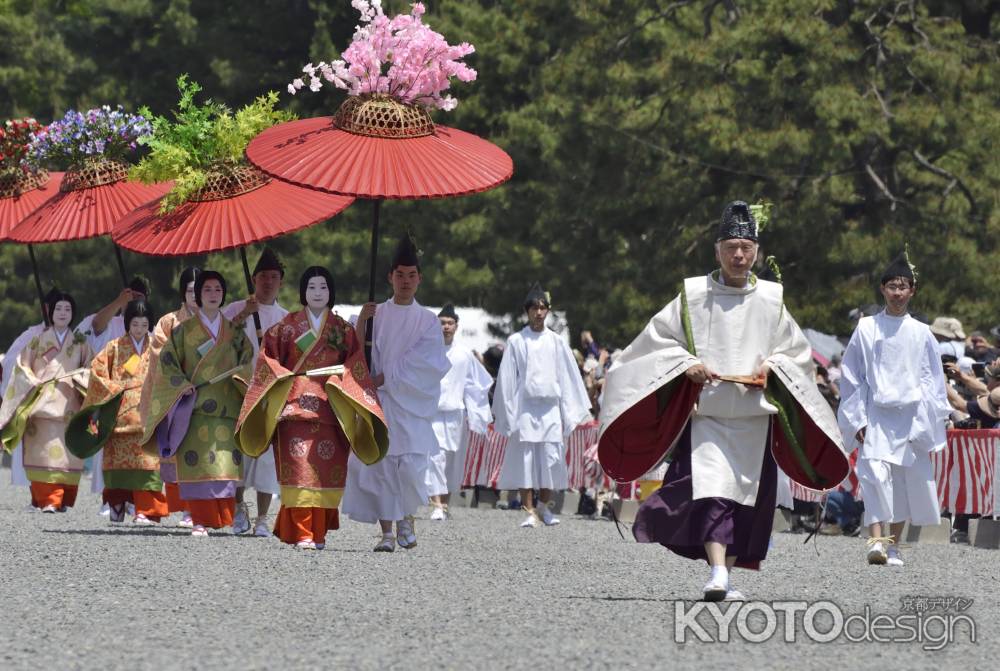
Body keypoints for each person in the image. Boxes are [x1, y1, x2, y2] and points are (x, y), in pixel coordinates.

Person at [598, 200, 848, 601]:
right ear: (717, 250)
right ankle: (716, 572)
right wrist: (685, 364)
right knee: (713, 494)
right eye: (731, 247)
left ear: (757, 253)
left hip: (754, 418)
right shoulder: (693, 295)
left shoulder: (770, 299)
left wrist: (772, 369)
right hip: (708, 417)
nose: (738, 256)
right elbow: (651, 345)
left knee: (747, 502)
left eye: (746, 248)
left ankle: (726, 576)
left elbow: (795, 353)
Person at [237, 267, 388, 549]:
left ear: (331, 292)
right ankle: (303, 532)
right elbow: (268, 358)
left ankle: (317, 533)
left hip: (331, 407)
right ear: (303, 292)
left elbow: (355, 365)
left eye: (323, 288)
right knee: (297, 467)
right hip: (293, 406)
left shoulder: (342, 330)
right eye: (312, 288)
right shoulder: (286, 326)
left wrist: (344, 380)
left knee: (324, 468)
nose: (317, 293)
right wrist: (278, 373)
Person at [838, 251, 951, 566]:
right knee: (874, 476)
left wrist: (928, 420)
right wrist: (857, 418)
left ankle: (893, 545)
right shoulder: (866, 327)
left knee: (903, 482)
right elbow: (852, 376)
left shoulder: (921, 332)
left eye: (903, 286)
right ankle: (875, 541)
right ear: (882, 289)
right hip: (876, 414)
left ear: (912, 290)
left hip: (910, 416)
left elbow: (932, 378)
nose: (897, 293)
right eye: (892, 286)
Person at [341, 233, 451, 552]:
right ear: (390, 277)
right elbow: (354, 349)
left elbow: (424, 362)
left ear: (420, 279)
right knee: (380, 466)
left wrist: (385, 376)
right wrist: (362, 319)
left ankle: (406, 516)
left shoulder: (428, 321)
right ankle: (387, 532)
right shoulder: (377, 313)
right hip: (380, 402)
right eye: (399, 275)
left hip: (409, 402)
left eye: (411, 275)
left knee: (411, 468)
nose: (405, 281)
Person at [139, 271, 253, 537]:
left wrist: (239, 374)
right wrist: (182, 385)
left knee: (224, 465)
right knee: (197, 464)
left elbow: (247, 360)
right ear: (197, 296)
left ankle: (223, 518)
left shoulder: (235, 333)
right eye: (207, 290)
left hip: (226, 405)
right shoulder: (182, 332)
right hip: (194, 407)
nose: (213, 294)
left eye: (217, 290)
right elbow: (168, 362)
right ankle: (199, 519)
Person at [492, 283, 592, 529]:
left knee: (551, 459)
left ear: (547, 311)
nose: (538, 312)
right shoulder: (516, 340)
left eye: (542, 308)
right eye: (534, 308)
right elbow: (506, 378)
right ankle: (529, 512)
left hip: (550, 409)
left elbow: (568, 376)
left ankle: (545, 507)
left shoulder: (556, 342)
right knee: (525, 459)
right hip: (525, 407)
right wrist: (508, 410)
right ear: (526, 311)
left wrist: (570, 410)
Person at [67, 299, 168, 524]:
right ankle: (117, 503)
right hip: (119, 415)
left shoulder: (159, 348)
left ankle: (147, 510)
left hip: (148, 415)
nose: (140, 330)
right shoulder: (114, 347)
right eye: (135, 325)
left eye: (144, 325)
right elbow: (97, 373)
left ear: (149, 324)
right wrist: (115, 391)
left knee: (149, 465)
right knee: (117, 467)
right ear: (127, 324)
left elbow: (169, 375)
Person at [0, 290, 93, 511]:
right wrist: (34, 383)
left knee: (67, 457)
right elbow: (22, 367)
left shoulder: (81, 344)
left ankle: (59, 499)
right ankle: (48, 500)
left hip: (69, 405)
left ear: (73, 314)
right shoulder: (37, 340)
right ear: (50, 313)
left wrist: (79, 377)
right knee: (43, 457)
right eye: (58, 308)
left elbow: (91, 369)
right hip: (41, 406)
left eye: (68, 309)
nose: (63, 313)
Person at [222, 248, 288, 537]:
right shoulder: (235, 309)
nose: (268, 282)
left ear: (281, 282)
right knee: (237, 452)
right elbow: (218, 340)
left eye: (274, 277)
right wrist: (244, 315)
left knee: (267, 458)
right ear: (254, 278)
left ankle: (262, 517)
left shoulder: (287, 318)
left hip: (271, 393)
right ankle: (239, 508)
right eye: (263, 277)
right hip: (238, 389)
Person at [142, 267, 200, 526]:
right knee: (178, 448)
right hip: (178, 395)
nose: (196, 296)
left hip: (207, 393)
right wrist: (182, 376)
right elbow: (158, 354)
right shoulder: (168, 322)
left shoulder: (218, 321)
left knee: (203, 450)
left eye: (200, 290)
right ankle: (186, 509)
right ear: (183, 293)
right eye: (190, 291)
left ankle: (199, 510)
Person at [427, 304, 492, 520]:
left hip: (455, 415)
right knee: (434, 458)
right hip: (432, 414)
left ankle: (445, 504)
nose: (446, 327)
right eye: (442, 323)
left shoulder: (464, 354)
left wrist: (478, 415)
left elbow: (476, 386)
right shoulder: (427, 350)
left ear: (456, 326)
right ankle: (435, 503)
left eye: (449, 323)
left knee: (452, 460)